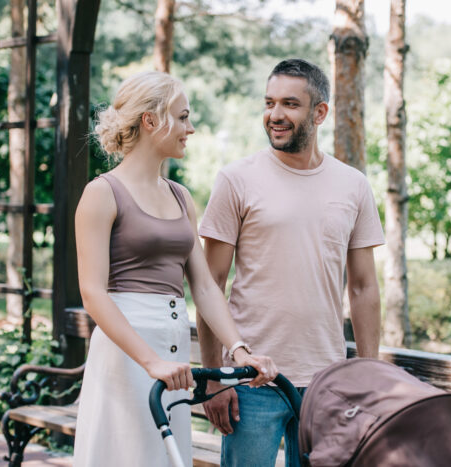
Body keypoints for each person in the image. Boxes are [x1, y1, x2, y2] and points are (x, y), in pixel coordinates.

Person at [73, 71, 277, 467]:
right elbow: (93, 293)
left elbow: (202, 286)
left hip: (174, 353)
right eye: (182, 117)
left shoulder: (180, 196)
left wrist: (238, 349)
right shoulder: (101, 193)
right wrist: (151, 361)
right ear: (150, 121)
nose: (191, 128)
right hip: (127, 352)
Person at [197, 58, 385, 467]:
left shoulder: (353, 185)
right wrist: (214, 376)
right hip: (250, 381)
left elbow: (364, 287)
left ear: (320, 113)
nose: (275, 115)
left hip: (326, 385)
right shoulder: (235, 179)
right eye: (269, 103)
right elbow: (209, 283)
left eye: (289, 104)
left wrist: (368, 375)